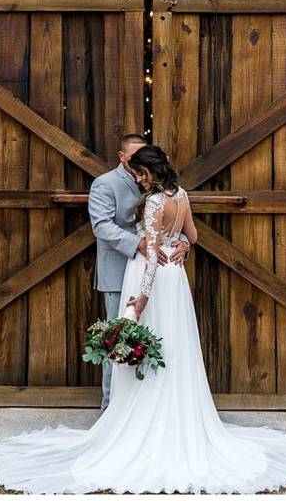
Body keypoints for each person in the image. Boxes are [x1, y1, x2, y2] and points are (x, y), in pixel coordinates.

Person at [0, 145, 286, 494]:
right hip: (175, 281)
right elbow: (193, 236)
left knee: (148, 342)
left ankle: (139, 424)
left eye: (141, 174)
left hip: (154, 280)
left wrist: (142, 297)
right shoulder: (183, 195)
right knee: (172, 346)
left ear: (149, 172)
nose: (138, 179)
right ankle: (169, 420)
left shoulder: (156, 202)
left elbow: (149, 258)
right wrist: (184, 248)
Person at [85, 133, 189, 411]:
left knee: (161, 339)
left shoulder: (165, 188)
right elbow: (101, 226)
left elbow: (179, 225)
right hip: (121, 272)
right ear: (122, 158)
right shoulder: (104, 184)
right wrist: (139, 244)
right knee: (119, 342)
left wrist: (182, 243)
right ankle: (111, 411)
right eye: (134, 160)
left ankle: (153, 412)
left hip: (159, 274)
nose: (141, 168)